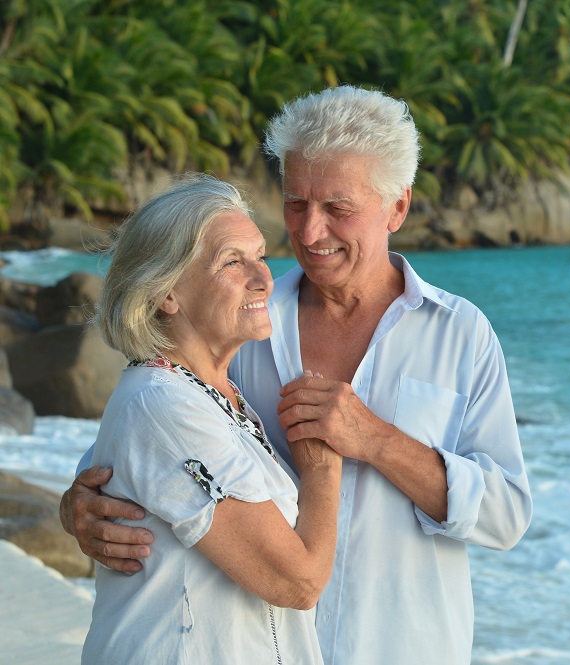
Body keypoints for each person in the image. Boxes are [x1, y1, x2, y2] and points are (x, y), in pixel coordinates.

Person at [63, 85, 532, 665]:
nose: (309, 234)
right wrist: (77, 509)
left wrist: (376, 441)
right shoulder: (241, 323)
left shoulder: (461, 334)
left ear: (398, 208)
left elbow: (506, 515)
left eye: (338, 208)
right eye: (294, 204)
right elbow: (136, 452)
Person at [79, 174, 342, 664]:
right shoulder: (162, 404)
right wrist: (324, 465)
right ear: (165, 293)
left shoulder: (208, 393)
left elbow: (109, 477)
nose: (264, 278)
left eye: (260, 256)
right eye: (232, 262)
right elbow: (298, 581)